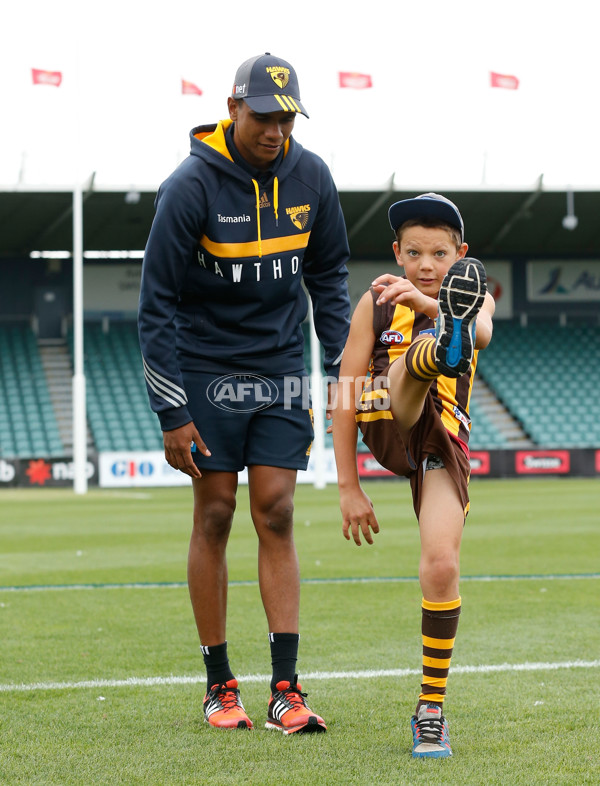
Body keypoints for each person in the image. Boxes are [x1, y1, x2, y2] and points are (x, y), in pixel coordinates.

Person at [138, 52, 350, 734]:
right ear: (233, 108)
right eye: (263, 116)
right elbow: (156, 304)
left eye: (286, 118)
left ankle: (286, 687)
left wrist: (342, 373)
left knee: (279, 509)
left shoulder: (312, 176)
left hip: (282, 364)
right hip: (204, 369)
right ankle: (218, 684)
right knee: (217, 512)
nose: (274, 130)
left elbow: (330, 278)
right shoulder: (190, 187)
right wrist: (172, 412)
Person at [332, 193, 495, 757]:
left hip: (440, 438)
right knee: (413, 362)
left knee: (442, 565)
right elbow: (344, 395)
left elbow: (483, 335)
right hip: (385, 417)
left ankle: (431, 710)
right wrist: (348, 486)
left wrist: (435, 308)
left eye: (440, 254)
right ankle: (431, 353)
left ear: (461, 254)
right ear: (397, 252)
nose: (427, 265)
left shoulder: (474, 296)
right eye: (416, 253)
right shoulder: (375, 301)